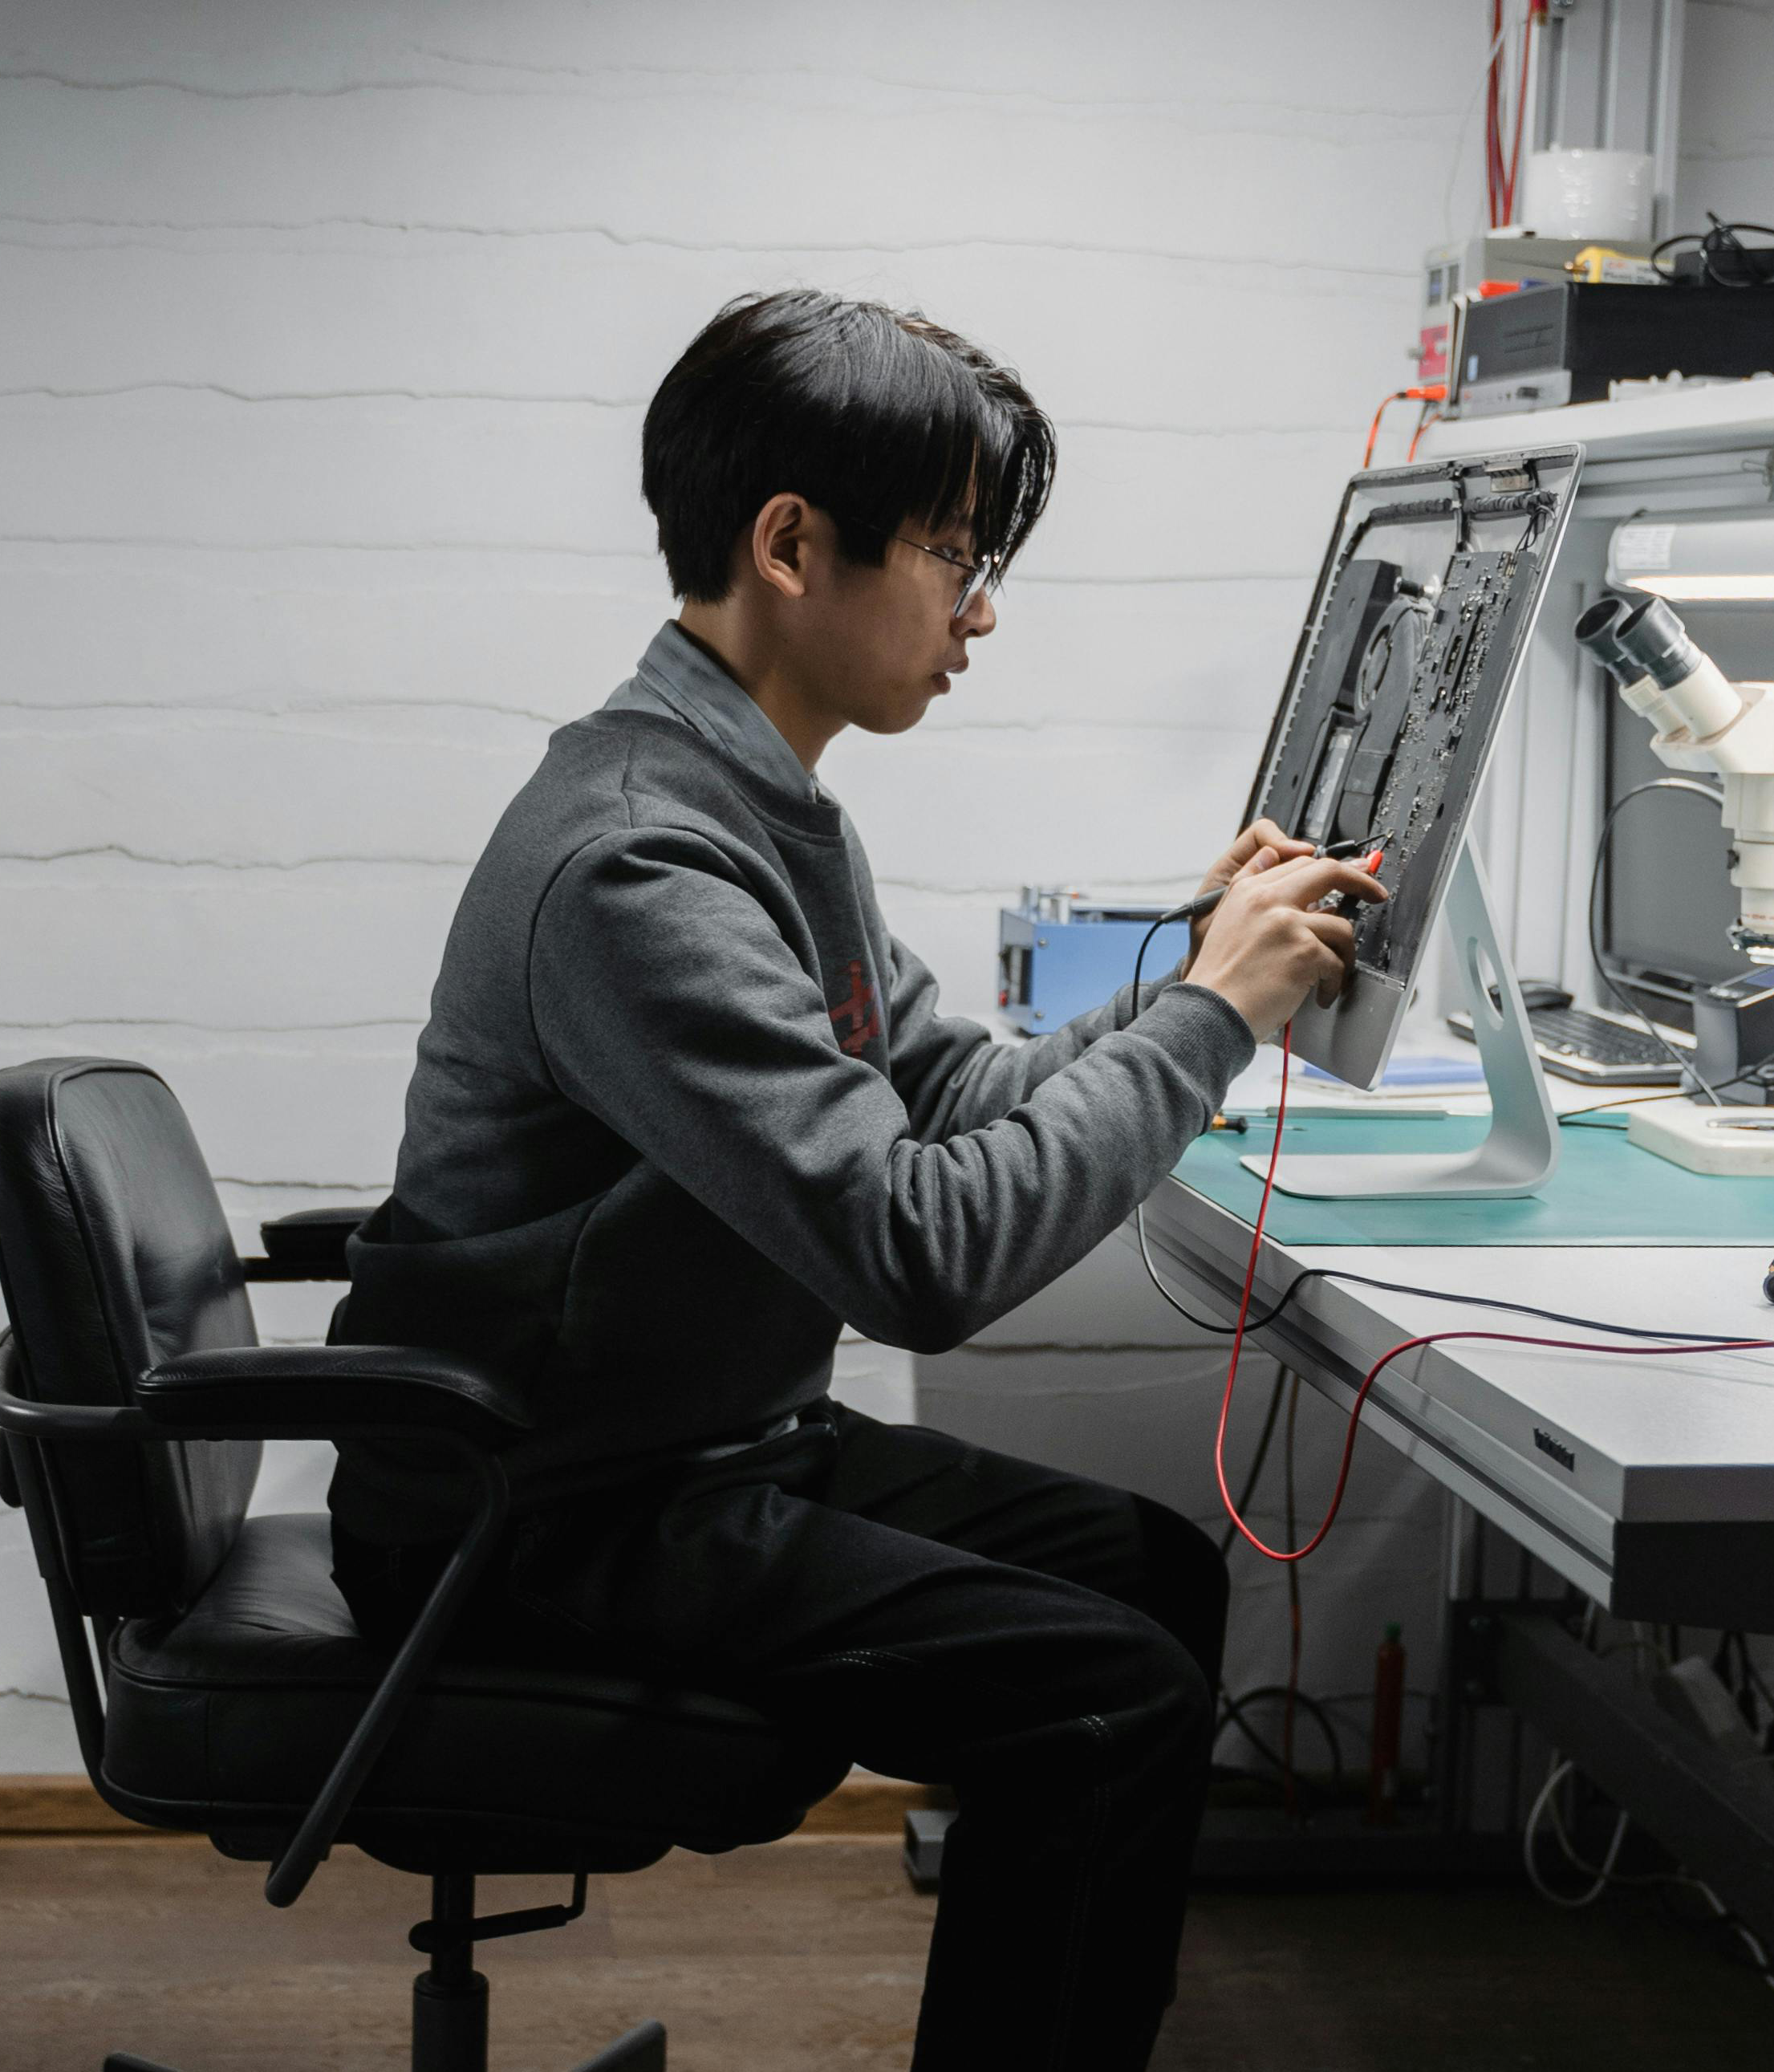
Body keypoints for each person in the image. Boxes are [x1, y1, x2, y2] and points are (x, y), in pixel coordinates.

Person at [327, 287, 1384, 2070]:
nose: (980, 613)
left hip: (685, 1444)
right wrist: (1210, 1020)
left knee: (1151, 1578)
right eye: (952, 554)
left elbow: (949, 1089)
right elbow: (915, 1249)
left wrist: (1190, 971)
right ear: (792, 544)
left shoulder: (756, 803)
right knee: (1103, 1695)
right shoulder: (638, 863)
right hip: (540, 1507)